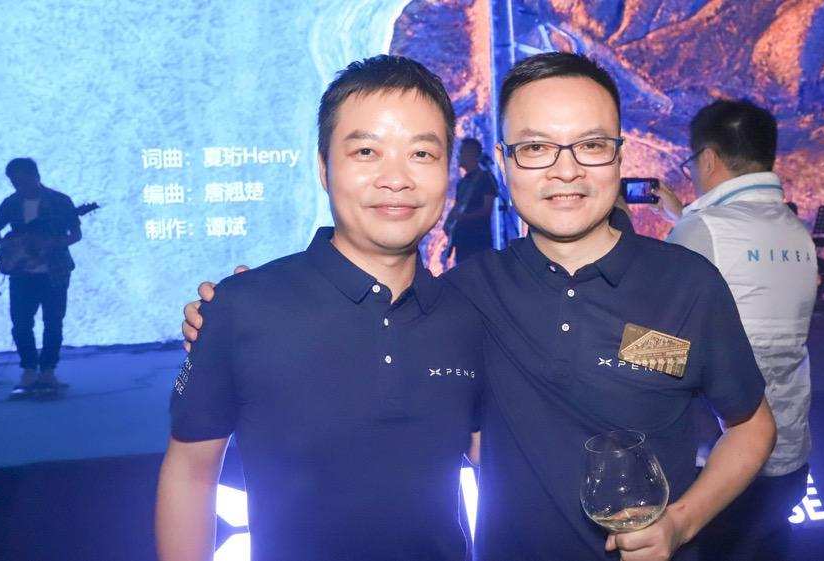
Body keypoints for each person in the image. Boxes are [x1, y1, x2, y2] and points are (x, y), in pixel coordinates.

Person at [183, 52, 776, 561]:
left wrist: (681, 523)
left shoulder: (688, 283)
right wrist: (240, 311)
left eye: (591, 145)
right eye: (537, 147)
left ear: (619, 156)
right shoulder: (467, 293)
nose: (566, 169)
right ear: (505, 161)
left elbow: (752, 429)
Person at [156, 55, 485, 561]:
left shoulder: (467, 317)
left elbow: (498, 462)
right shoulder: (243, 308)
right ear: (323, 168)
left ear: (446, 170)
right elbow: (190, 474)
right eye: (366, 151)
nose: (395, 178)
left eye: (421, 153)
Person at [654, 99, 817, 560]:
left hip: (720, 463)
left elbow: (659, 348)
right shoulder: (797, 232)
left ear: (707, 158)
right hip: (789, 450)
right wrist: (684, 219)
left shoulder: (701, 231)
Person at [0, 158, 82, 399]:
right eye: (14, 181)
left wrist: (53, 243)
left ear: (35, 176)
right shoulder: (11, 203)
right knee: (21, 324)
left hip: (55, 271)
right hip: (21, 274)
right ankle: (29, 371)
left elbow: (75, 234)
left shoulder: (59, 201)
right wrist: (11, 245)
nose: (18, 185)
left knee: (53, 322)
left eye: (22, 179)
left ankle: (48, 372)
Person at [441, 138, 498, 265]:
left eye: (462, 152)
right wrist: (449, 223)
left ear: (471, 154)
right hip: (462, 242)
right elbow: (458, 206)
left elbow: (487, 210)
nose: (458, 156)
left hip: (478, 242)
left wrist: (464, 218)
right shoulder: (462, 183)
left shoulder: (485, 178)